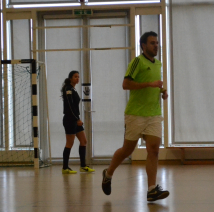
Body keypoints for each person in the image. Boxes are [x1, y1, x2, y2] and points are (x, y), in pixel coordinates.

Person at [101, 31, 169, 202]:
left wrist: (162, 91)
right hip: (135, 114)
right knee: (127, 150)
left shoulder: (158, 64)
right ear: (143, 46)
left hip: (154, 114)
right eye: (152, 43)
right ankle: (108, 174)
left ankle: (152, 189)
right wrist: (149, 84)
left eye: (157, 43)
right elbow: (126, 84)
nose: (156, 46)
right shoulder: (137, 62)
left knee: (153, 150)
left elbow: (154, 85)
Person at [61, 71, 95, 174]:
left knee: (83, 141)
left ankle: (83, 166)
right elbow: (70, 106)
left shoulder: (73, 89)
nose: (77, 78)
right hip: (70, 120)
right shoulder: (68, 89)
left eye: (78, 77)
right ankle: (65, 168)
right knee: (69, 143)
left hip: (75, 119)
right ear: (70, 78)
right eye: (75, 77)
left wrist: (77, 118)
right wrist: (77, 119)